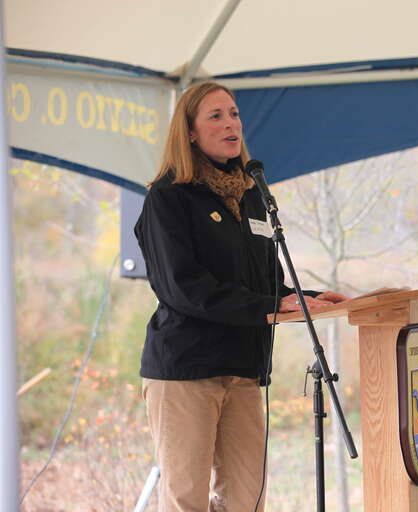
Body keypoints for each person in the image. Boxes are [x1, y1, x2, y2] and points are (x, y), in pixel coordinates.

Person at [134, 82, 348, 512]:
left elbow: (266, 287)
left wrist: (308, 297)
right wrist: (270, 306)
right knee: (186, 500)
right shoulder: (169, 197)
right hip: (187, 371)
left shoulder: (252, 196)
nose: (231, 123)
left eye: (234, 113)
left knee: (247, 499)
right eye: (216, 116)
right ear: (190, 132)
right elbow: (183, 288)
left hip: (245, 372)